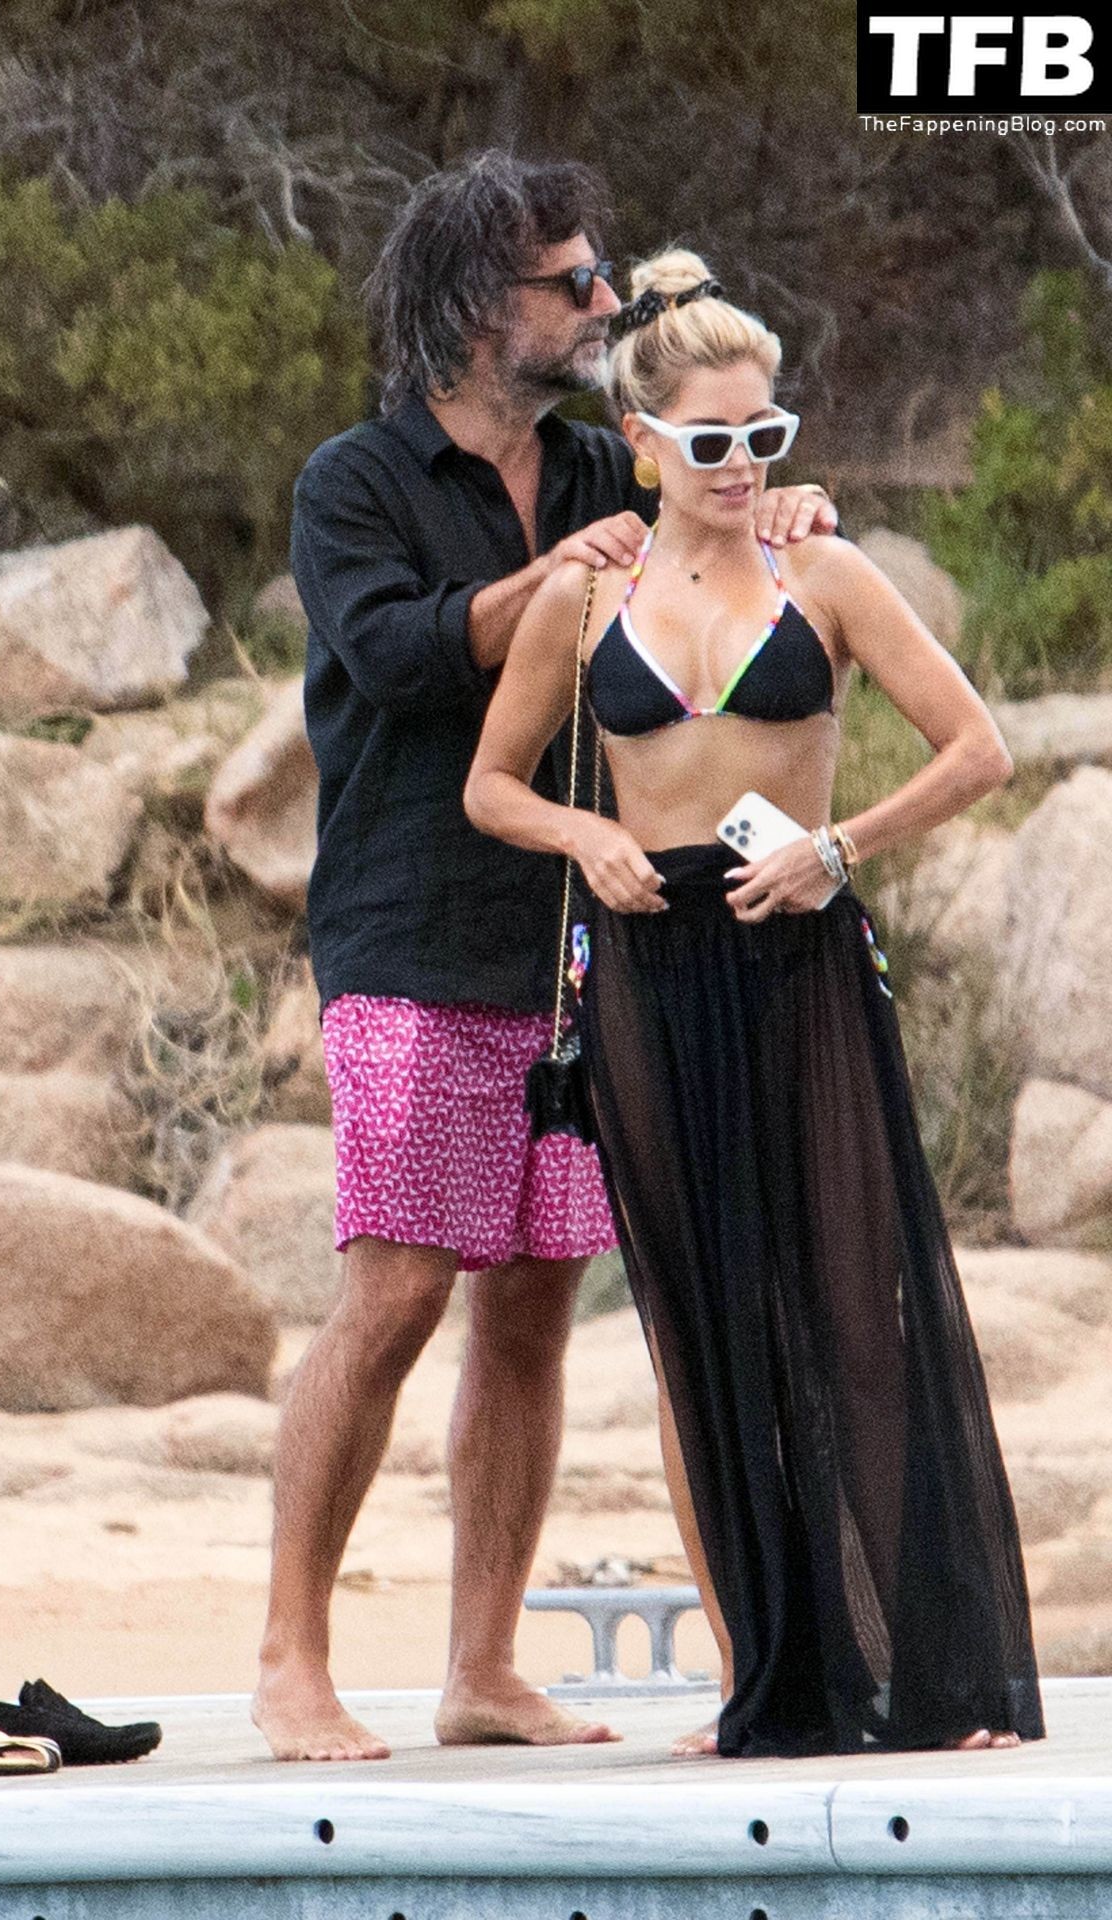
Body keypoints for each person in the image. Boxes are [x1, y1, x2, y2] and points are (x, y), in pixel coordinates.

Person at [252, 154, 840, 1765]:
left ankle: (482, 1669)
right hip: (407, 936)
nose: (603, 303)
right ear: (473, 306)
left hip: (589, 945)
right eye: (572, 283)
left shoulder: (601, 466)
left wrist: (777, 507)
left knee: (530, 1309)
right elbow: (400, 656)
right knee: (396, 1291)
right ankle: (292, 1657)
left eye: (601, 276)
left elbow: (720, 542)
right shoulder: (354, 482)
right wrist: (562, 576)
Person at [464, 247, 1046, 1759]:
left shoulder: (823, 572)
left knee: (860, 1308)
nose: (742, 465)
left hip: (801, 960)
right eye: (712, 440)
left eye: (765, 436)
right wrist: (585, 835)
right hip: (652, 974)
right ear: (645, 442)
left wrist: (839, 848)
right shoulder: (585, 597)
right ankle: (771, 1685)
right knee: (706, 1332)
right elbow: (490, 786)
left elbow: (978, 749)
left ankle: (932, 1681)